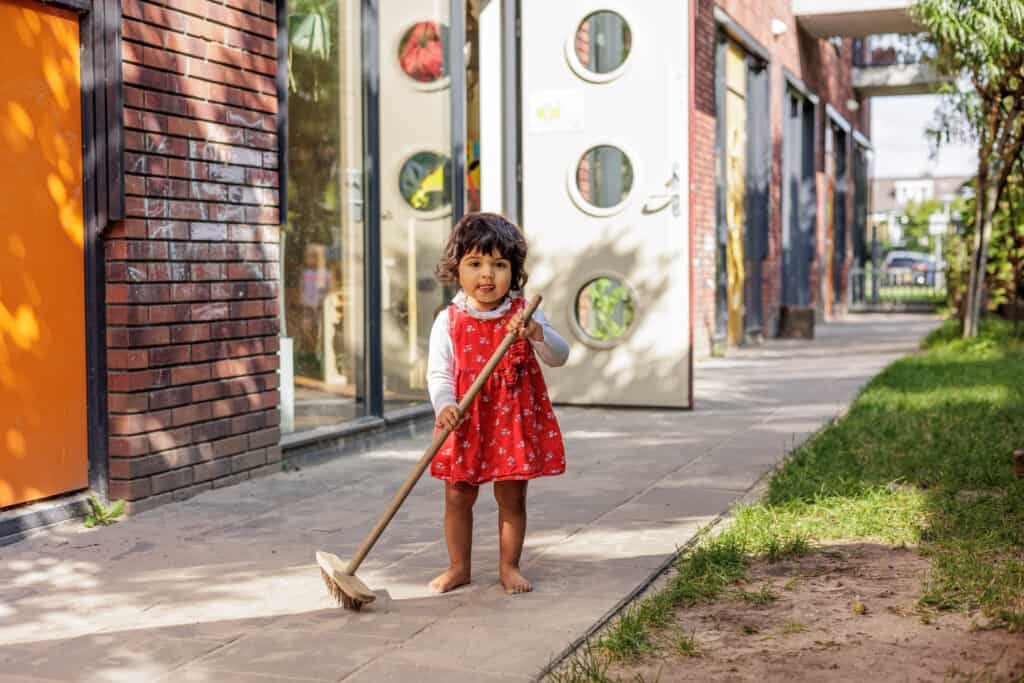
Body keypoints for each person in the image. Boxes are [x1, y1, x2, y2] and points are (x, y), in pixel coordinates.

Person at [427, 212, 569, 595]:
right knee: (458, 494)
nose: (487, 275)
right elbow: (439, 373)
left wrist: (537, 332)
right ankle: (459, 566)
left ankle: (509, 566)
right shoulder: (449, 320)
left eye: (499, 265)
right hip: (466, 417)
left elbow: (559, 355)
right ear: (457, 269)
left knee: (512, 496)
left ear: (514, 271)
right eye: (475, 264)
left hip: (511, 419)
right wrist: (444, 405)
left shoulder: (525, 313)